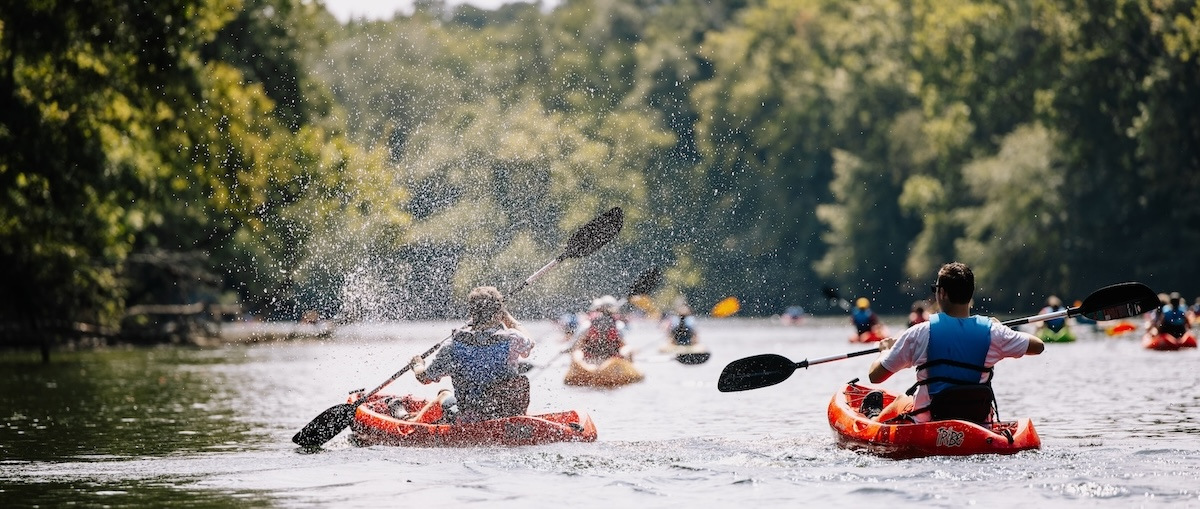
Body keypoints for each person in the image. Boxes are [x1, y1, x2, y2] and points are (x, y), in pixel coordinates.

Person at [863, 262, 1045, 424]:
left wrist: (885, 351)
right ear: (971, 293)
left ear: (941, 293)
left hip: (929, 425)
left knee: (901, 401)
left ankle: (873, 417)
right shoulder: (994, 332)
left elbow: (875, 376)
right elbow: (1038, 346)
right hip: (977, 424)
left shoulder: (919, 332)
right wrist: (1000, 328)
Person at [410, 286, 534, 423]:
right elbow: (530, 341)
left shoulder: (452, 345)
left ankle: (412, 422)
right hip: (506, 414)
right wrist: (507, 316)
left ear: (472, 314)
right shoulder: (512, 339)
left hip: (470, 418)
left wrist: (417, 365)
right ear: (498, 314)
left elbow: (424, 378)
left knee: (444, 394)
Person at [575, 295, 631, 362]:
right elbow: (624, 344)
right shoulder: (618, 325)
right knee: (627, 350)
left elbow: (576, 344)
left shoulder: (588, 324)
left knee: (577, 352)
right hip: (612, 360)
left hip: (592, 359)